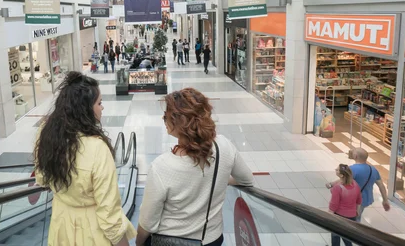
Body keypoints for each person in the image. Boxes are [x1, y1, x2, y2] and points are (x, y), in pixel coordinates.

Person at [135, 88, 254, 246]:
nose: (163, 119)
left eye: (167, 116)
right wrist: (220, 178)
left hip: (171, 240)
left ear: (180, 123)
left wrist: (138, 242)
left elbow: (148, 222)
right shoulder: (224, 146)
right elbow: (247, 179)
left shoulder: (162, 166)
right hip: (212, 239)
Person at [34, 72, 136, 245]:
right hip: (91, 231)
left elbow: (42, 178)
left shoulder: (46, 134)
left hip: (61, 225)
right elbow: (109, 212)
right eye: (99, 103)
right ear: (85, 108)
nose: (102, 108)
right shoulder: (97, 148)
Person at [328, 147, 390, 221]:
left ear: (355, 156)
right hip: (365, 199)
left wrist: (331, 184)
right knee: (357, 216)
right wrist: (385, 200)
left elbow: (342, 180)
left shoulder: (353, 169)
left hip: (351, 200)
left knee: (352, 219)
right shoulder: (373, 169)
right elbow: (381, 185)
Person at [328, 164, 361, 246]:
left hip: (339, 216)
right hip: (352, 216)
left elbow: (333, 206)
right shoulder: (355, 184)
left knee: (335, 236)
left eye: (337, 170)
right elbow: (359, 200)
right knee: (347, 237)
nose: (335, 169)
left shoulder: (338, 188)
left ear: (341, 175)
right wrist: (357, 212)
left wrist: (328, 217)